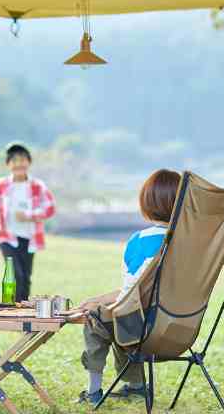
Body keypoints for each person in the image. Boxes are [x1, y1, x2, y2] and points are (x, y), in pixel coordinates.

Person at [76, 169, 181, 405]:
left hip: (144, 332)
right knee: (118, 314)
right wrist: (102, 297)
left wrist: (97, 304)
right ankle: (136, 386)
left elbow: (130, 295)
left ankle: (93, 391)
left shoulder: (140, 241)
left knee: (99, 318)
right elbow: (140, 290)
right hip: (181, 330)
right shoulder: (189, 243)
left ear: (147, 202)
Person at [0, 143, 56, 302]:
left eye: (23, 159)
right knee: (15, 273)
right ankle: (12, 308)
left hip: (29, 238)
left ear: (29, 162)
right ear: (8, 164)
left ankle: (22, 311)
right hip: (6, 237)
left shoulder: (37, 186)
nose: (19, 164)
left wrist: (28, 215)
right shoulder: (1, 185)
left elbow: (50, 208)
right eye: (14, 160)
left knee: (26, 276)